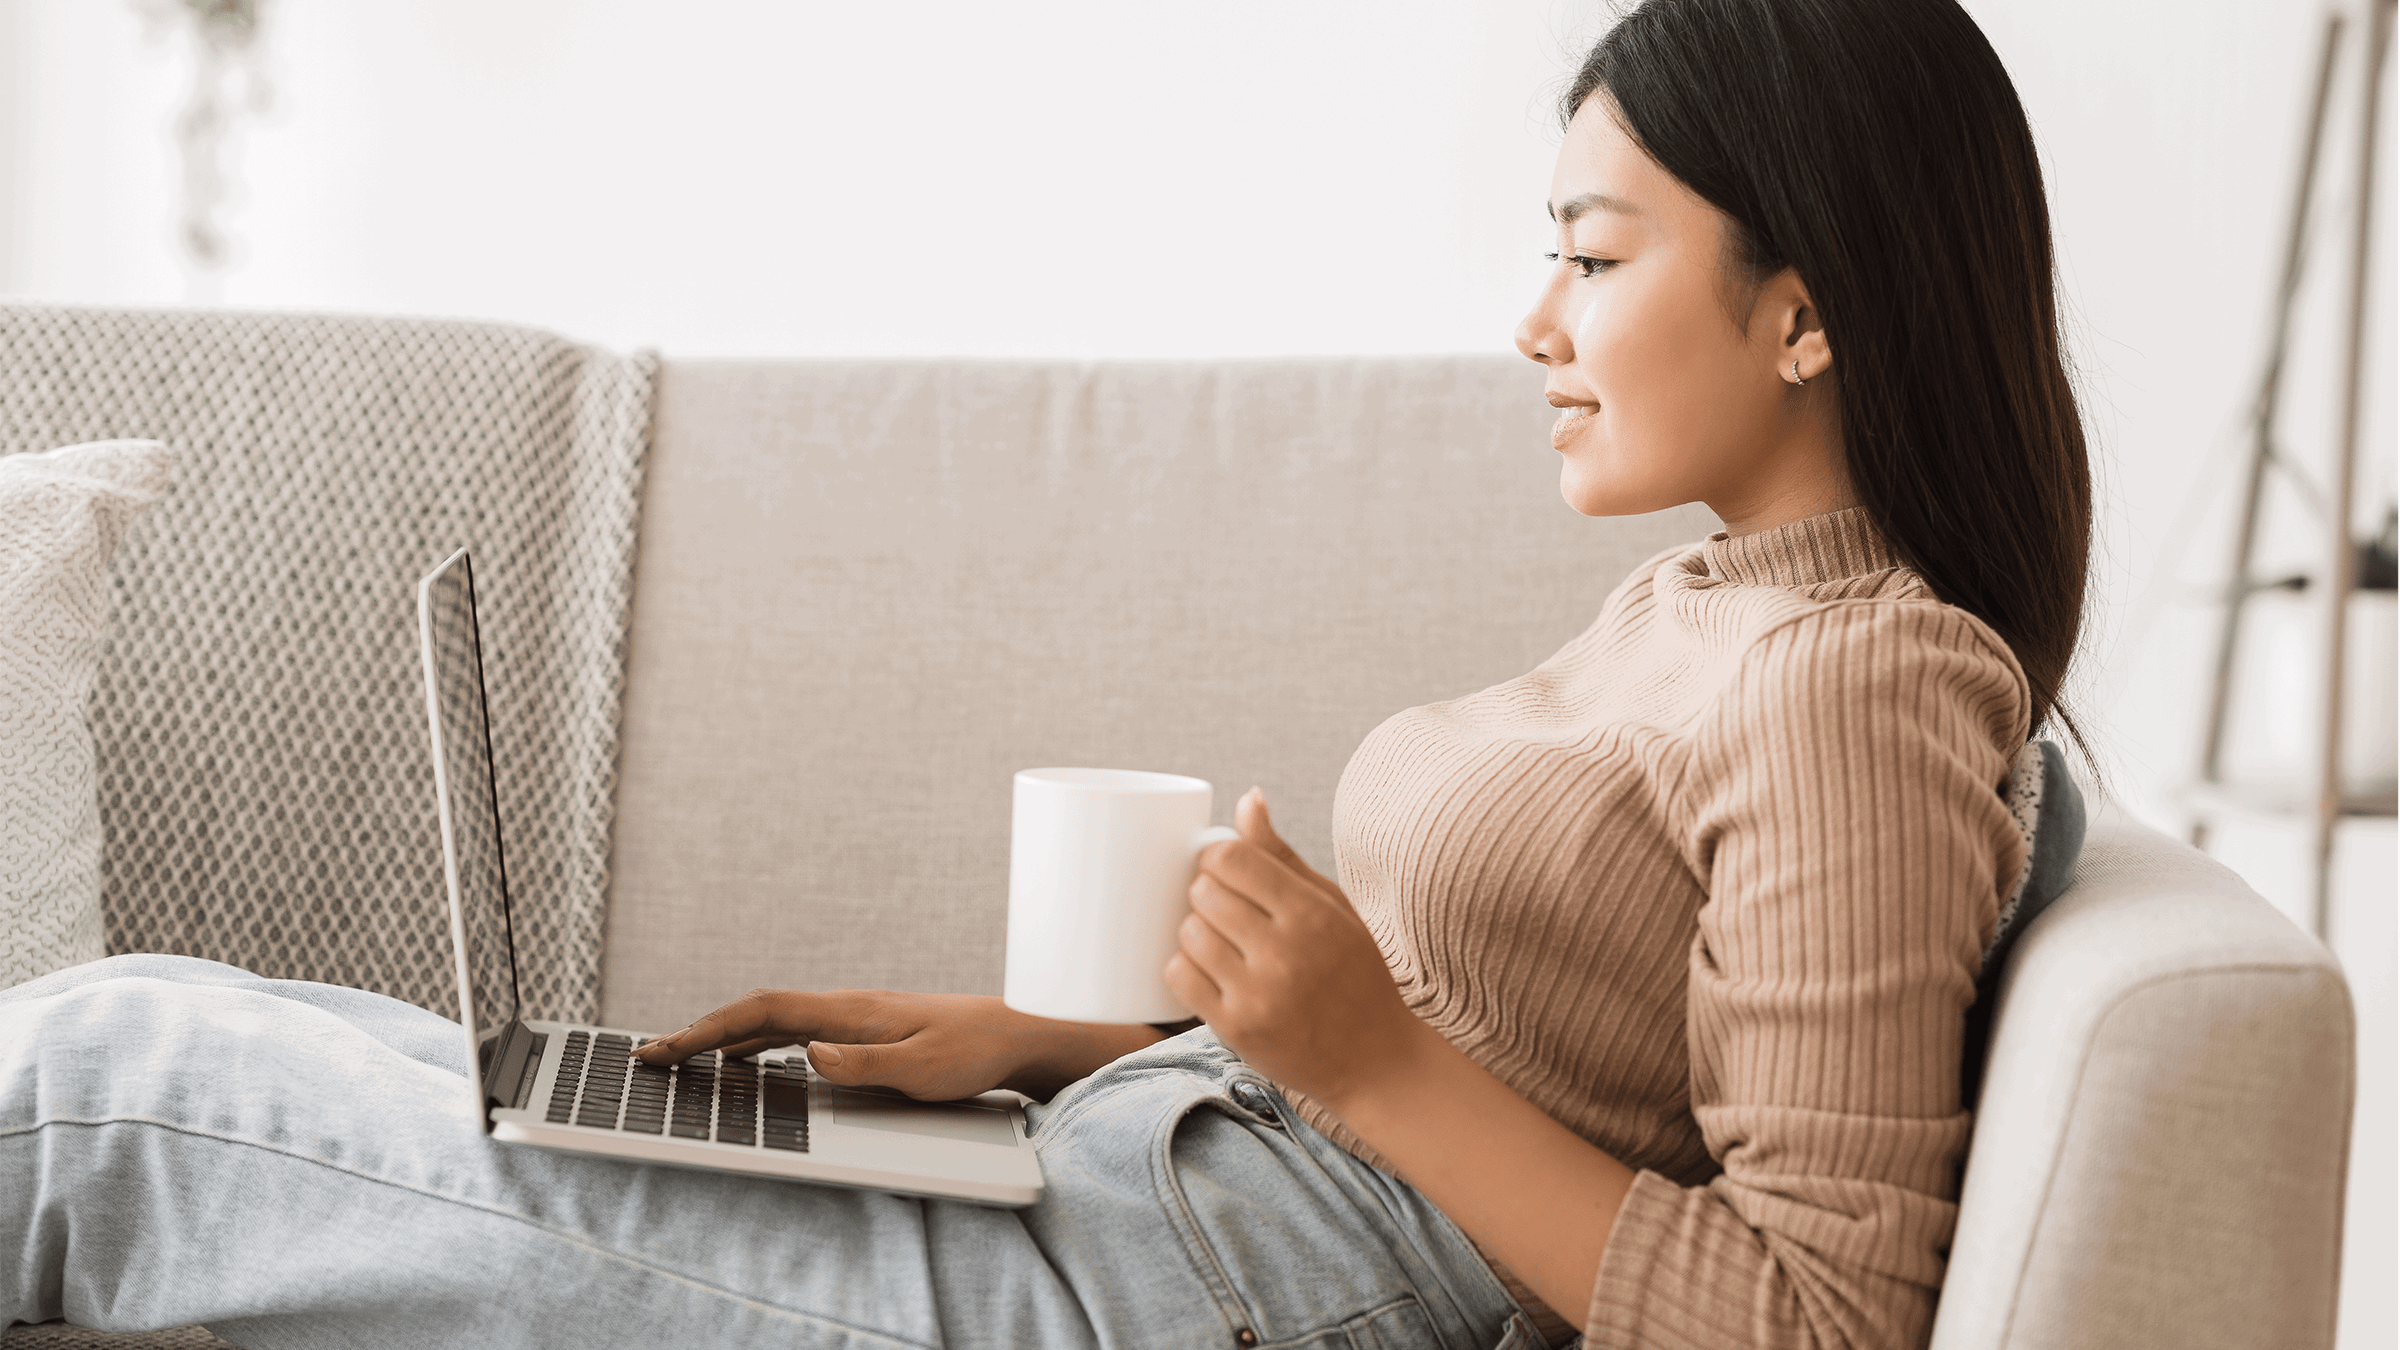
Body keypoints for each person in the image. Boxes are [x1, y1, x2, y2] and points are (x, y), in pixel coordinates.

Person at [2, 0, 2093, 1346]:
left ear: (1805, 312)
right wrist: (1062, 1045)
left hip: (1188, 1291)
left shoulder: (1862, 687)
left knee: (106, 1104)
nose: (1536, 322)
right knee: (138, 1023)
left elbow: (1829, 1317)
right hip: (1151, 1183)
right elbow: (1556, 1031)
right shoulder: (1718, 602)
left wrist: (1361, 1061)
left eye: (1596, 252)